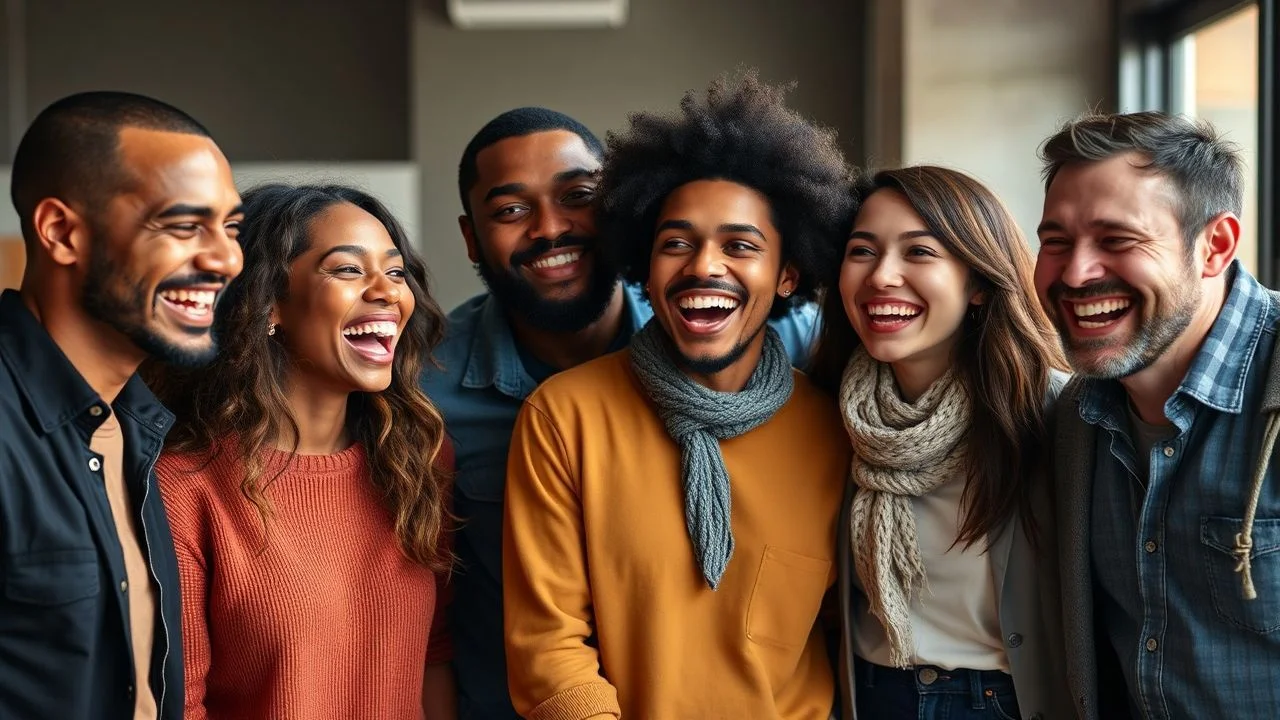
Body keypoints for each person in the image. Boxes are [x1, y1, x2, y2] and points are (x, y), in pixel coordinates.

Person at [421, 105, 819, 718]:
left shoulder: (816, 390)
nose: (550, 228)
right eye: (509, 210)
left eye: (577, 196)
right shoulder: (427, 390)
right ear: (472, 236)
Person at [147, 184, 456, 719]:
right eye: (347, 269)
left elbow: (433, 660)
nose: (388, 291)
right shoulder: (184, 489)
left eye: (397, 271)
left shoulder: (420, 460)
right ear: (269, 304)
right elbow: (182, 705)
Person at [0, 91, 243, 720]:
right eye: (185, 226)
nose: (225, 258)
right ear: (62, 233)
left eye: (230, 227)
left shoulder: (137, 427)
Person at [1034, 111, 1280, 719]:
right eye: (1056, 241)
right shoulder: (1075, 417)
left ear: (1215, 246)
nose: (1074, 272)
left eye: (1117, 240)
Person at [808, 166, 1070, 719]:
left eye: (919, 253)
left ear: (977, 283)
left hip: (1001, 702)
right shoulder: (824, 414)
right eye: (862, 251)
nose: (882, 276)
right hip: (873, 697)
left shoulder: (1052, 415)